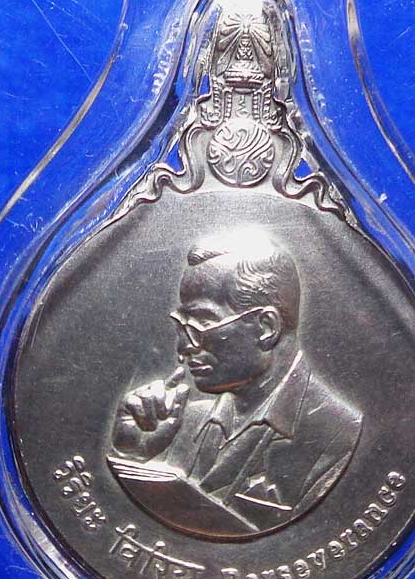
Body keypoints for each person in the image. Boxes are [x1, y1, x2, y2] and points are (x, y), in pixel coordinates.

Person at [109, 228, 363, 535]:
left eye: (201, 323)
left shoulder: (339, 439)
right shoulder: (180, 423)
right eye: (182, 326)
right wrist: (134, 457)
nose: (183, 348)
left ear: (266, 328)